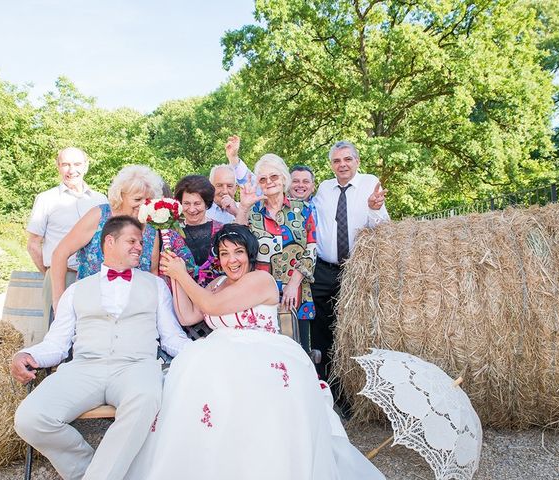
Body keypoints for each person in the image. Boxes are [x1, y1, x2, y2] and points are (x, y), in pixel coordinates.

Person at [125, 223, 385, 480]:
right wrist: (174, 277)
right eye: (224, 253)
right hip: (218, 352)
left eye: (237, 252)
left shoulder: (261, 280)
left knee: (244, 384)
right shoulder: (217, 283)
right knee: (191, 378)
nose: (231, 260)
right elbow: (188, 315)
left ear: (249, 254)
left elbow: (211, 306)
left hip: (262, 351)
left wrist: (182, 275)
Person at [11, 216, 191, 480]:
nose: (139, 248)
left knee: (146, 398)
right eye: (132, 241)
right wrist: (27, 354)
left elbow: (172, 338)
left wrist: (202, 352)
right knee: (30, 418)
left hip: (136, 367)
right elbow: (57, 343)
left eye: (141, 243)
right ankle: (92, 470)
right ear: (109, 241)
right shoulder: (76, 290)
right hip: (85, 367)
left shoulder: (155, 286)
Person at [311, 141, 389, 387]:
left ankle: (359, 383)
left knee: (355, 329)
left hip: (357, 271)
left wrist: (374, 208)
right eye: (336, 161)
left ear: (357, 161)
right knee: (322, 328)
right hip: (324, 270)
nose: (342, 164)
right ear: (331, 165)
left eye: (347, 159)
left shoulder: (369, 184)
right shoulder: (323, 188)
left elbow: (383, 228)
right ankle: (327, 385)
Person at [50, 165, 162, 312]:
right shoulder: (98, 215)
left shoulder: (151, 230)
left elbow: (152, 274)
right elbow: (60, 253)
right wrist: (59, 300)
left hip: (132, 311)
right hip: (89, 306)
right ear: (121, 196)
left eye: (148, 200)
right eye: (137, 199)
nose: (142, 205)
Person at [235, 154, 317, 352]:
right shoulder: (253, 212)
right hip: (261, 294)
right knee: (267, 353)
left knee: (299, 350)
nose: (269, 182)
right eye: (263, 179)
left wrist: (292, 284)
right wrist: (243, 207)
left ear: (283, 179)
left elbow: (311, 249)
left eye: (274, 176)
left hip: (296, 293)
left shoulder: (303, 209)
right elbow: (236, 242)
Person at [26, 147, 108, 329]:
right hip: (63, 277)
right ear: (58, 167)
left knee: (92, 332)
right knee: (57, 332)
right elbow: (33, 245)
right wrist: (52, 272)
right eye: (66, 165)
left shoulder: (101, 200)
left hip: (95, 280)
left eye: (77, 164)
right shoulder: (46, 199)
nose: (72, 170)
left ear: (86, 166)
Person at [162, 175, 224, 287]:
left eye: (197, 203)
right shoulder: (170, 234)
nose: (191, 209)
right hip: (181, 298)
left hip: (218, 297)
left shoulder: (222, 231)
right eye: (186, 203)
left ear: (206, 203)